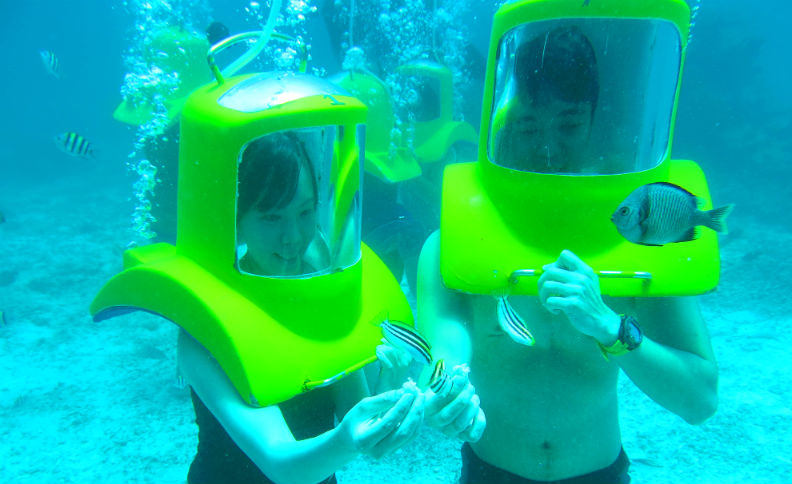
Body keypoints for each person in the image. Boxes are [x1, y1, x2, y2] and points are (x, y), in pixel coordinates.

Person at [418, 18, 719, 484]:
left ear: (594, 120)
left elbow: (700, 400)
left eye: (568, 123)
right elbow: (446, 348)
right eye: (528, 124)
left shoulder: (638, 241)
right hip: (489, 473)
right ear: (502, 120)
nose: (547, 147)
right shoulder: (452, 245)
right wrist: (444, 390)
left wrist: (609, 328)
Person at [178, 131, 484, 484]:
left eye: (305, 211)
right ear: (235, 219)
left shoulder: (325, 298)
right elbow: (280, 462)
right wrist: (348, 439)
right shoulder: (204, 327)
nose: (292, 236)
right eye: (271, 217)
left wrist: (395, 387)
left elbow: (356, 409)